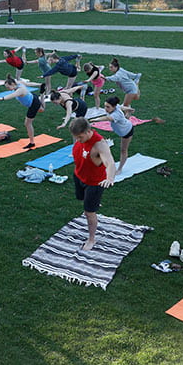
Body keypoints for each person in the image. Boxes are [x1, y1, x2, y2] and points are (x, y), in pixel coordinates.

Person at [69, 117, 116, 251]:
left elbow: (110, 162)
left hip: (95, 183)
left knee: (89, 212)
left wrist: (110, 178)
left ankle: (91, 239)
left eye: (80, 137)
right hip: (79, 176)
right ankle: (94, 202)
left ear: (88, 131)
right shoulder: (81, 137)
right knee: (82, 199)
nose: (78, 140)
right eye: (76, 137)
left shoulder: (99, 144)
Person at [0, 75, 43, 149]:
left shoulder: (20, 90)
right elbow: (28, 84)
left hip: (33, 104)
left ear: (12, 84)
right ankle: (43, 95)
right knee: (41, 110)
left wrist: (2, 98)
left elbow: (13, 95)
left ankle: (32, 142)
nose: (8, 89)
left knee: (27, 123)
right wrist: (40, 85)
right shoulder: (18, 83)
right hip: (33, 98)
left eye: (8, 87)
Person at [89, 96, 133, 174]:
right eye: (105, 106)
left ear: (114, 107)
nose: (106, 108)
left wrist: (95, 119)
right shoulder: (116, 107)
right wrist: (129, 110)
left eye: (108, 107)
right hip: (122, 128)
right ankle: (127, 118)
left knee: (123, 150)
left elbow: (106, 118)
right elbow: (122, 107)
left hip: (127, 131)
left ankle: (120, 169)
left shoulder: (116, 114)